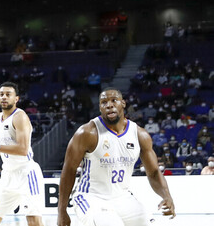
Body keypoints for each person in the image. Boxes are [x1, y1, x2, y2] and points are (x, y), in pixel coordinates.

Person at [57, 88, 175, 226]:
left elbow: (154, 172)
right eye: (104, 102)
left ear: (123, 103)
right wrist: (62, 211)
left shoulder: (139, 135)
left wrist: (167, 196)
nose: (109, 105)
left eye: (114, 100)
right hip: (91, 197)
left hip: (123, 198)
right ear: (100, 107)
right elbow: (69, 170)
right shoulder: (87, 133)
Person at [0, 82, 45, 226]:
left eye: (8, 94)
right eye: (1, 94)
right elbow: (4, 147)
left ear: (16, 98)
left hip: (26, 173)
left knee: (33, 221)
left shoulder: (20, 117)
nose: (4, 97)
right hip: (8, 174)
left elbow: (23, 149)